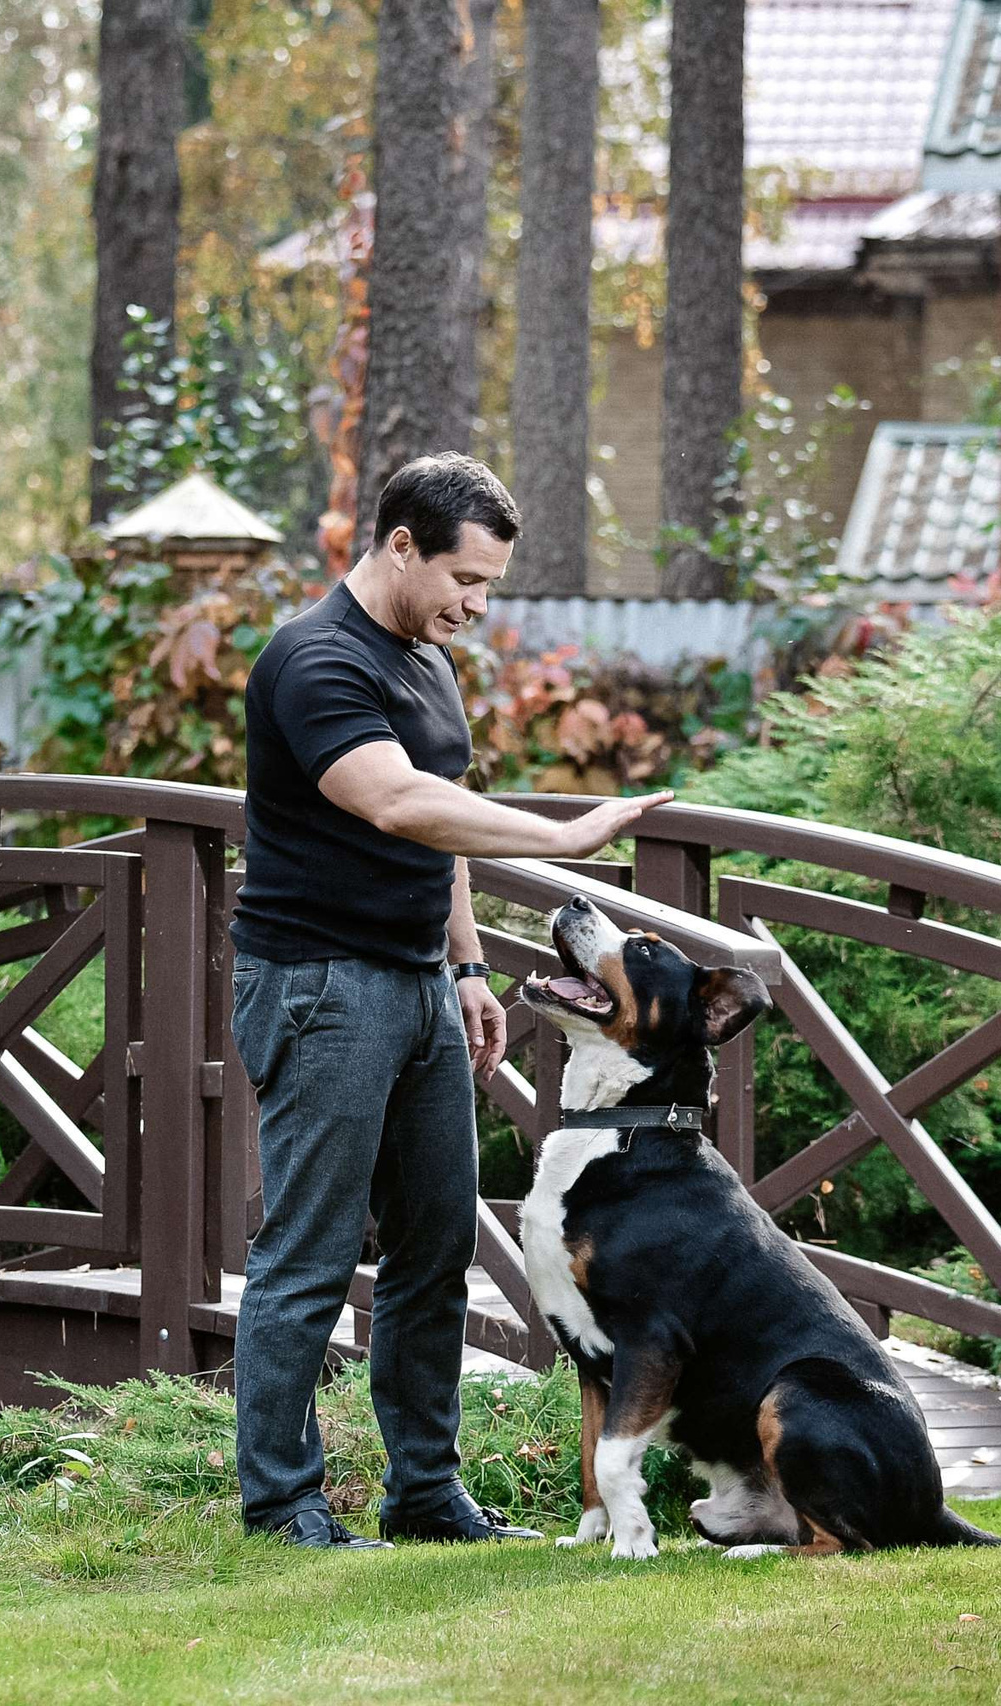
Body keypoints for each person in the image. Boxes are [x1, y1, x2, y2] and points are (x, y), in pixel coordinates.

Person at [230, 453, 671, 1547]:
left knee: (435, 1248)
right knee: (312, 1253)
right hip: (320, 983)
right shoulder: (315, 659)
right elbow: (392, 801)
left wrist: (466, 966)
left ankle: (425, 1493)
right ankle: (282, 1501)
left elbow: (446, 816)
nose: (477, 605)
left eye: (491, 586)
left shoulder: (428, 658)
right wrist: (565, 836)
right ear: (398, 546)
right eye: (465, 579)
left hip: (417, 981)